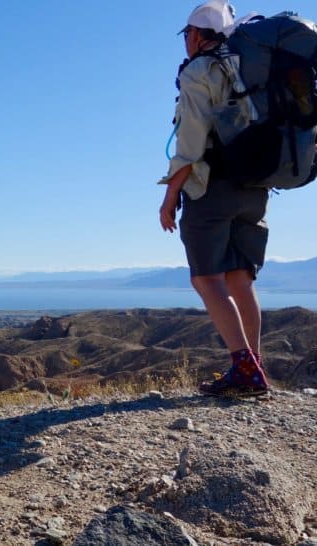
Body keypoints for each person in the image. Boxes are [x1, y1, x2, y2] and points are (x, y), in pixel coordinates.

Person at [159, 0, 269, 396]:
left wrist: (171, 194)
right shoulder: (250, 68)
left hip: (211, 187)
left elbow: (190, 143)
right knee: (239, 277)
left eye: (186, 35)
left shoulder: (199, 72)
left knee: (206, 278)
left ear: (195, 35)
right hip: (255, 189)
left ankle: (245, 369)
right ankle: (253, 368)